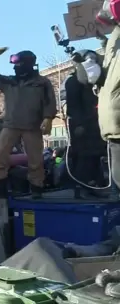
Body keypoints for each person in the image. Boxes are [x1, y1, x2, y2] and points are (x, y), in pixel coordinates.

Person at [0, 48, 57, 198]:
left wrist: (49, 117)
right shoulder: (9, 82)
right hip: (10, 124)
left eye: (18, 64)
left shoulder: (42, 83)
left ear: (27, 64)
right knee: (0, 156)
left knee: (35, 159)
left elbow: (50, 101)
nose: (14, 67)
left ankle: (37, 188)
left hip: (32, 126)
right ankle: (0, 186)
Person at [61, 49, 107, 198]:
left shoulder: (94, 80)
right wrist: (79, 123)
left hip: (94, 122)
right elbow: (73, 105)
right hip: (82, 124)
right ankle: (82, 186)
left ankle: (95, 182)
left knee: (94, 155)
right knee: (84, 156)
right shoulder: (73, 81)